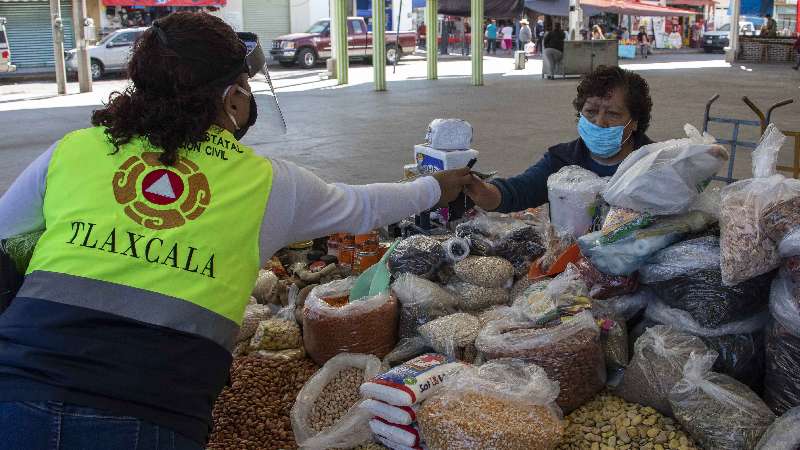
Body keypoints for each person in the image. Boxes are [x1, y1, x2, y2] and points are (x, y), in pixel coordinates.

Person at [0, 12, 472, 450]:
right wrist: (437, 186)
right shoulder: (268, 184)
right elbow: (363, 205)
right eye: (246, 87)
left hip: (15, 386)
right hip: (151, 411)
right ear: (231, 98)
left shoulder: (72, 150)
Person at [465, 66, 654, 213]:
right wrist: (481, 191)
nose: (599, 122)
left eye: (612, 114)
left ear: (635, 121)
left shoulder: (657, 163)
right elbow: (520, 190)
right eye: (591, 112)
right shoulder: (562, 160)